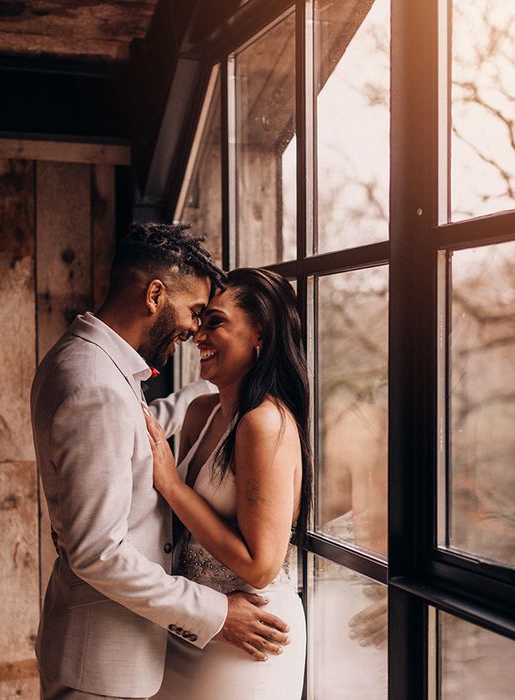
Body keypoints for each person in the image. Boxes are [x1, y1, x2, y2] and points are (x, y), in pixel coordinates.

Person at [31, 225, 290, 700]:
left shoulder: (90, 363)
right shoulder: (96, 385)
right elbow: (98, 552)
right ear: (154, 294)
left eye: (211, 320)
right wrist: (215, 614)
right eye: (195, 312)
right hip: (103, 662)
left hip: (120, 651)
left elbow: (142, 427)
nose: (195, 331)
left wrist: (223, 385)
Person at [145, 268, 312, 700]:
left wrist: (171, 484)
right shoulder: (200, 411)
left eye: (215, 322)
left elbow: (261, 565)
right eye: (199, 322)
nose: (199, 335)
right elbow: (177, 526)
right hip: (194, 622)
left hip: (248, 636)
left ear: (260, 333)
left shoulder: (264, 423)